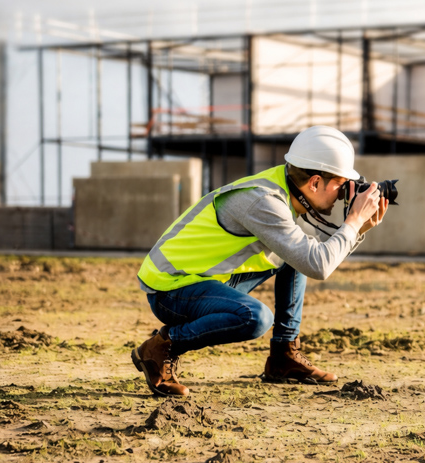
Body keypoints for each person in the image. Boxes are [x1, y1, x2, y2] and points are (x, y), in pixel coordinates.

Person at [131, 125, 389, 396]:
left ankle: (283, 356)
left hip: (205, 279)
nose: (344, 192)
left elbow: (310, 258)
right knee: (256, 317)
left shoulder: (283, 188)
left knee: (298, 253)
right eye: (340, 184)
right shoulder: (265, 201)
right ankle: (161, 347)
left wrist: (357, 229)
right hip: (171, 289)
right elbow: (319, 265)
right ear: (314, 183)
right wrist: (352, 222)